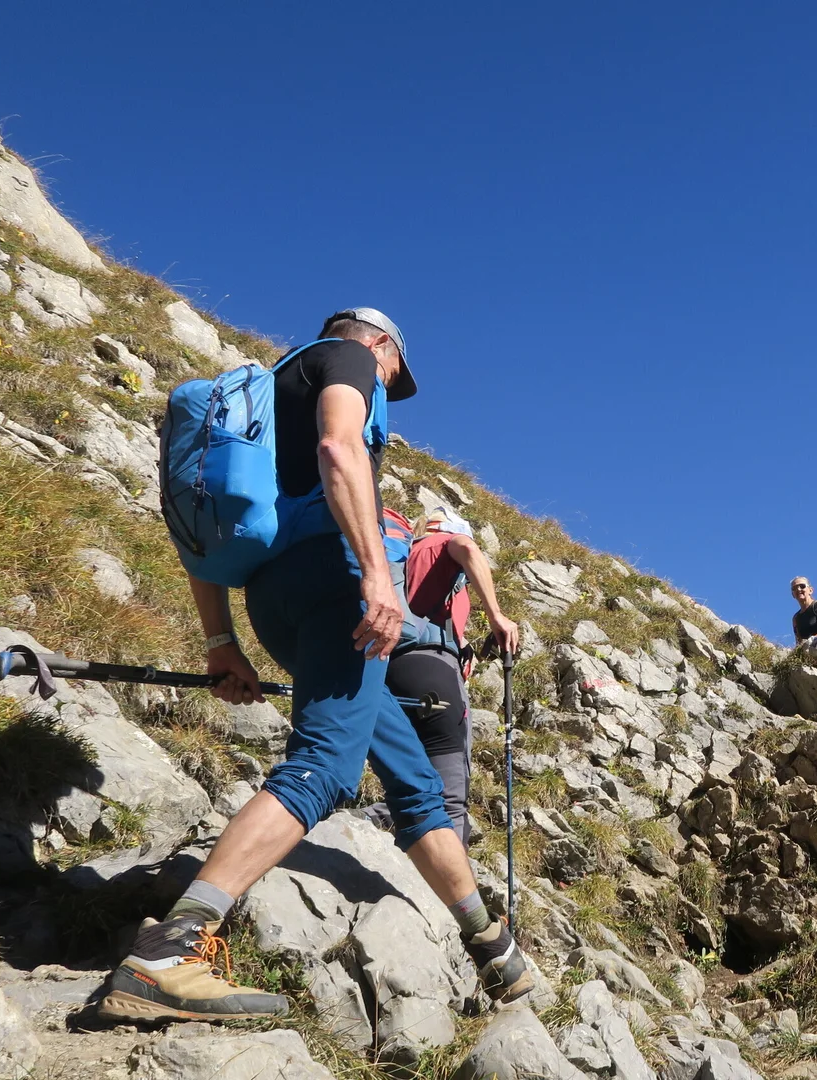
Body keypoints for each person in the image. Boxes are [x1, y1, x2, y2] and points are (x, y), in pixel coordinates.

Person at [98, 308, 533, 1024]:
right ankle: (171, 950)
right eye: (396, 373)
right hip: (336, 583)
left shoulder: (258, 403)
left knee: (416, 783)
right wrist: (374, 576)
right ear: (382, 347)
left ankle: (495, 951)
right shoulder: (348, 361)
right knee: (327, 766)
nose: (389, 383)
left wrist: (221, 643)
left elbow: (197, 532)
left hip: (276, 600)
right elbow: (340, 451)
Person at [366, 506, 520, 845]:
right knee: (450, 799)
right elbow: (467, 548)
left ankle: (361, 824)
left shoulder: (401, 559)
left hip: (390, 670)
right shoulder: (441, 544)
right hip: (434, 673)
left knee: (417, 782)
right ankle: (445, 892)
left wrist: (462, 642)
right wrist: (496, 616)